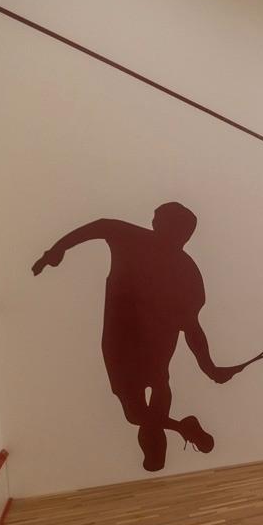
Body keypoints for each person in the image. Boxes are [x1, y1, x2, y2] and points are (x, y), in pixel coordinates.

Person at [32, 202, 240, 471]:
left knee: (138, 412)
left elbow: (192, 328)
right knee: (145, 406)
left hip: (123, 344)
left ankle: (166, 441)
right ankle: (178, 431)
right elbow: (192, 329)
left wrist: (56, 250)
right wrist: (209, 368)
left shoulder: (140, 244)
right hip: (134, 345)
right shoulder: (184, 269)